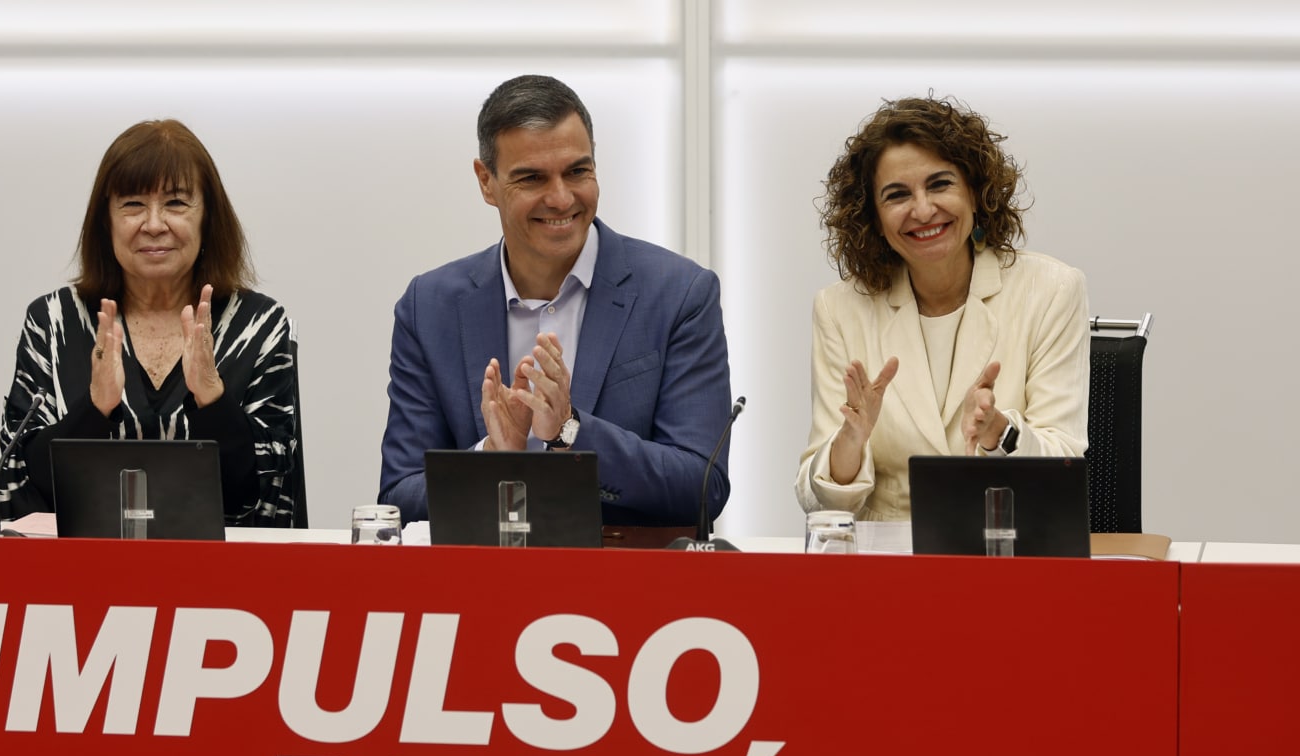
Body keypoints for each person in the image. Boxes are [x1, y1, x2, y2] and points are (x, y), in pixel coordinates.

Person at [379, 74, 733, 528]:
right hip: (477, 587)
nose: (562, 198)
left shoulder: (680, 293)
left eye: (577, 171)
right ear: (486, 182)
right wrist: (492, 459)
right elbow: (398, 496)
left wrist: (570, 432)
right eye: (532, 178)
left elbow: (702, 487)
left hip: (627, 585)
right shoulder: (428, 307)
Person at [795, 96, 1089, 521]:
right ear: (874, 218)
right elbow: (818, 500)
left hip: (1007, 553)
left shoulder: (1051, 290)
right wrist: (850, 443)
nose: (923, 209)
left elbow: (1063, 470)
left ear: (975, 191)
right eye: (897, 195)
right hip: (890, 567)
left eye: (939, 184)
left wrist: (998, 434)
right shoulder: (840, 308)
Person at [0, 119, 298, 525]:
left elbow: (266, 491)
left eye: (176, 203)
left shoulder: (259, 326)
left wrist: (212, 397)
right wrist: (95, 410)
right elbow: (20, 480)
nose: (154, 224)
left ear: (208, 217)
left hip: (221, 579)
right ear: (106, 222)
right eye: (133, 204)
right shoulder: (52, 322)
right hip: (78, 579)